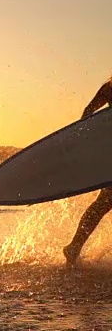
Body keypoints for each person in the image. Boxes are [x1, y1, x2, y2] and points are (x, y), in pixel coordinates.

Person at [63, 77, 112, 266]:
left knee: (104, 202)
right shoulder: (110, 88)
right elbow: (88, 115)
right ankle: (74, 245)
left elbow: (87, 113)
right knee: (106, 201)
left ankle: (74, 246)